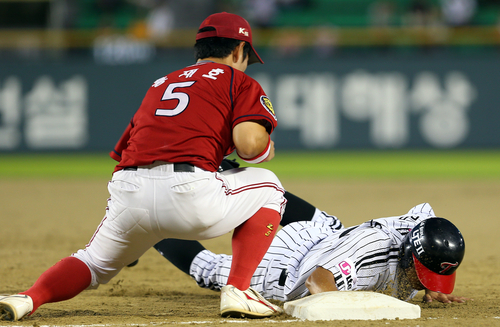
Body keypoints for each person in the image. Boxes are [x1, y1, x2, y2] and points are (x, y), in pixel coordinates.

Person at [0, 12, 287, 321]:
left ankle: (28, 297)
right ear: (237, 51)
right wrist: (266, 148)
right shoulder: (238, 80)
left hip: (129, 192)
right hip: (190, 197)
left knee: (92, 262)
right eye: (246, 56)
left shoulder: (160, 83)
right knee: (270, 186)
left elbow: (124, 150)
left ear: (199, 51)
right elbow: (249, 145)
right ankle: (239, 289)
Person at [154, 203, 469, 304]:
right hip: (288, 267)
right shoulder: (371, 253)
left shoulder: (419, 229)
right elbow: (318, 285)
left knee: (332, 224)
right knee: (213, 272)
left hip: (325, 238)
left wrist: (429, 279)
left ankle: (262, 192)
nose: (423, 280)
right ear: (408, 253)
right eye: (422, 271)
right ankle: (150, 226)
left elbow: (423, 214)